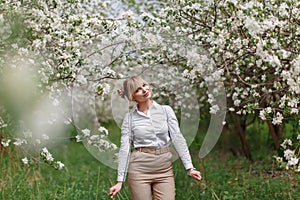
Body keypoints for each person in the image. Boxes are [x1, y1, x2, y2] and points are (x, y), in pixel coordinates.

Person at [109, 76, 201, 200]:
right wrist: (120, 180)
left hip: (164, 169)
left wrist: (190, 168)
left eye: (144, 85)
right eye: (137, 90)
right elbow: (125, 149)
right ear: (132, 97)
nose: (144, 90)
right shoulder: (129, 118)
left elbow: (178, 139)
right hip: (139, 170)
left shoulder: (166, 110)